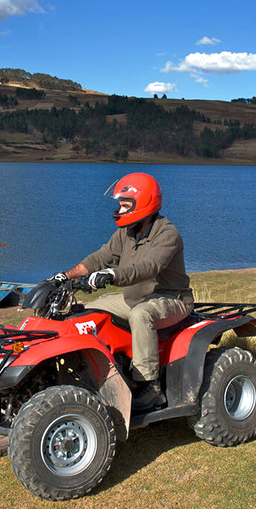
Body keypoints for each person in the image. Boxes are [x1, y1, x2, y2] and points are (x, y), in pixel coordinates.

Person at [50, 172, 194, 411]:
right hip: (135, 297)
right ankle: (99, 367)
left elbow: (148, 268)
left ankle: (150, 386)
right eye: (120, 203)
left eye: (126, 204)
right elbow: (100, 257)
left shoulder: (168, 234)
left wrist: (113, 275)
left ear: (145, 203)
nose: (120, 208)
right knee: (90, 312)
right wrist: (65, 276)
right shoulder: (126, 232)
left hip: (172, 299)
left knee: (141, 315)